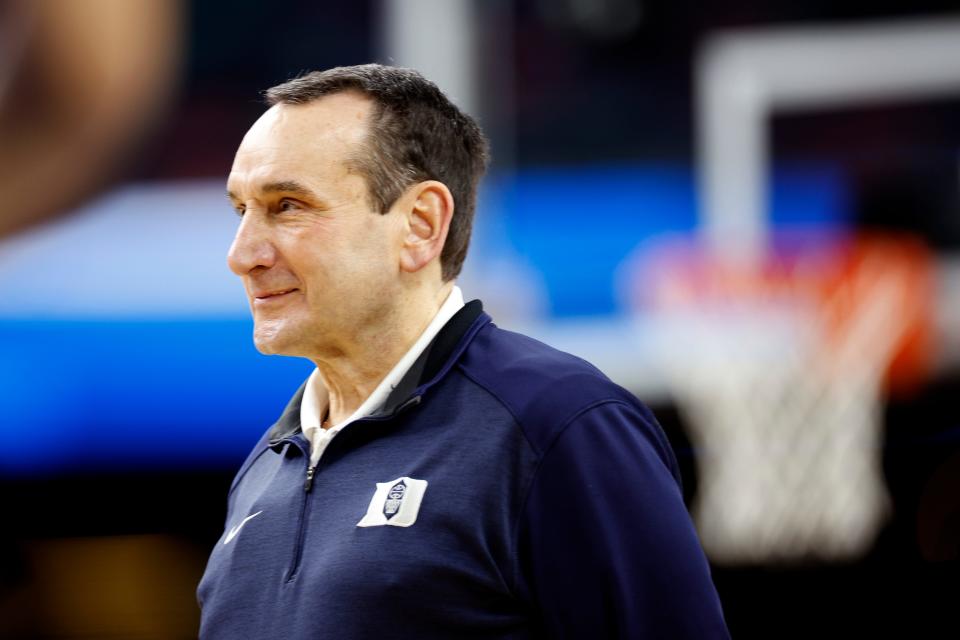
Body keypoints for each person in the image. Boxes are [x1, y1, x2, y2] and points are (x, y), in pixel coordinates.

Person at [197, 63, 729, 639]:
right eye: (240, 210)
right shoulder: (263, 469)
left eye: (288, 206)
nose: (242, 252)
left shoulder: (559, 425)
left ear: (421, 225)